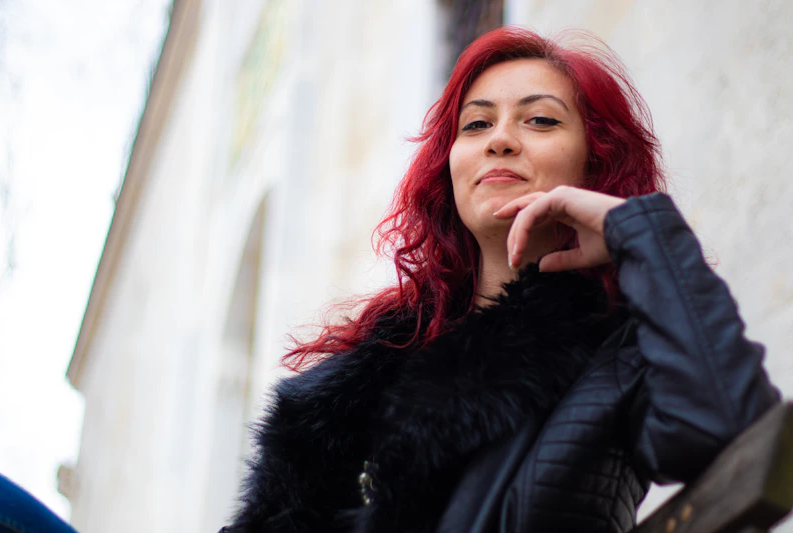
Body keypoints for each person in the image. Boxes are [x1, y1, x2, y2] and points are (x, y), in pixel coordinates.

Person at [220, 27, 780, 533]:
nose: (500, 139)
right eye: (477, 124)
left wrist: (636, 231)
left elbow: (733, 432)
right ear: (450, 165)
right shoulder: (364, 373)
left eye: (540, 120)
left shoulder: (626, 349)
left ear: (595, 162)